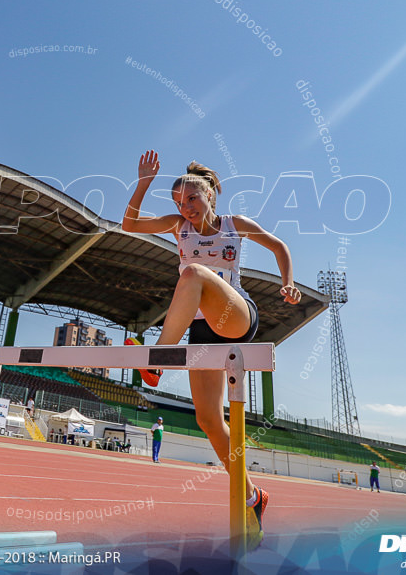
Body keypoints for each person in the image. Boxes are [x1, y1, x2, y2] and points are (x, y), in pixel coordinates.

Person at [122, 151, 302, 551]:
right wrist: (143, 182)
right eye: (179, 203)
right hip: (203, 331)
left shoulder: (235, 225)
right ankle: (254, 496)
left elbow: (279, 246)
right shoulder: (176, 227)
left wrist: (288, 282)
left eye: (191, 200)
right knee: (208, 420)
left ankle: (157, 360)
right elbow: (129, 224)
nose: (185, 209)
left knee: (193, 273)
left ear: (210, 197)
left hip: (235, 315)